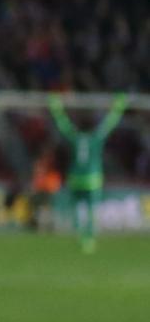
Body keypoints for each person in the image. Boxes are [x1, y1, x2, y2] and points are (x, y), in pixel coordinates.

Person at [47, 94, 129, 254]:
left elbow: (63, 125)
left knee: (78, 207)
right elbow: (108, 124)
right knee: (91, 209)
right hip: (92, 179)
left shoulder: (74, 137)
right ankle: (89, 238)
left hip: (76, 178)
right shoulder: (96, 137)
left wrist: (56, 108)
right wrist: (118, 107)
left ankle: (79, 234)